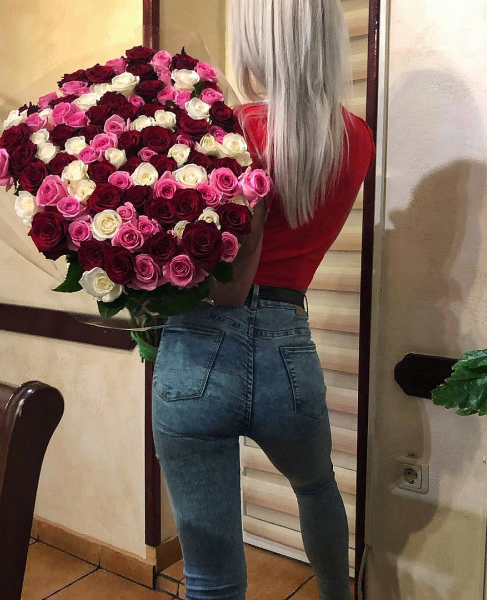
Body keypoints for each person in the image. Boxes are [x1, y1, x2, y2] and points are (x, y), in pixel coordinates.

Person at [151, 1, 376, 598]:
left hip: (196, 352)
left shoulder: (219, 133)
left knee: (210, 577)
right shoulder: (356, 138)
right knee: (317, 488)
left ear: (253, 36)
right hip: (288, 350)